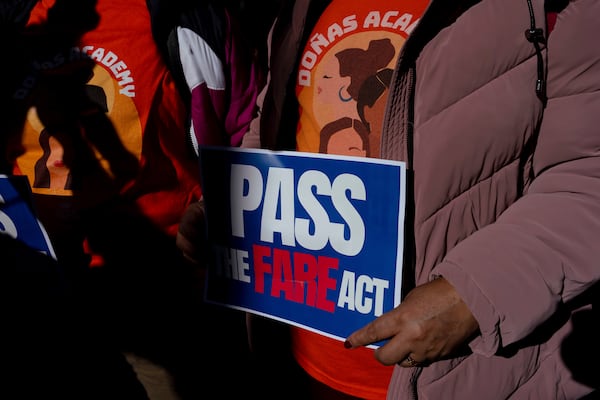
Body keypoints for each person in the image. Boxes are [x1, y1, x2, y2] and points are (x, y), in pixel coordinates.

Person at [178, 0, 600, 398]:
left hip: (457, 372)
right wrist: (229, 205)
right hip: (293, 355)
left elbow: (586, 174)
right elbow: (276, 122)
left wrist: (473, 296)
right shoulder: (301, 6)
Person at [10, 0, 262, 398]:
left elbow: (251, 127)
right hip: (40, 290)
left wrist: (221, 214)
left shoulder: (184, 15)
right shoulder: (13, 24)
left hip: (169, 295)